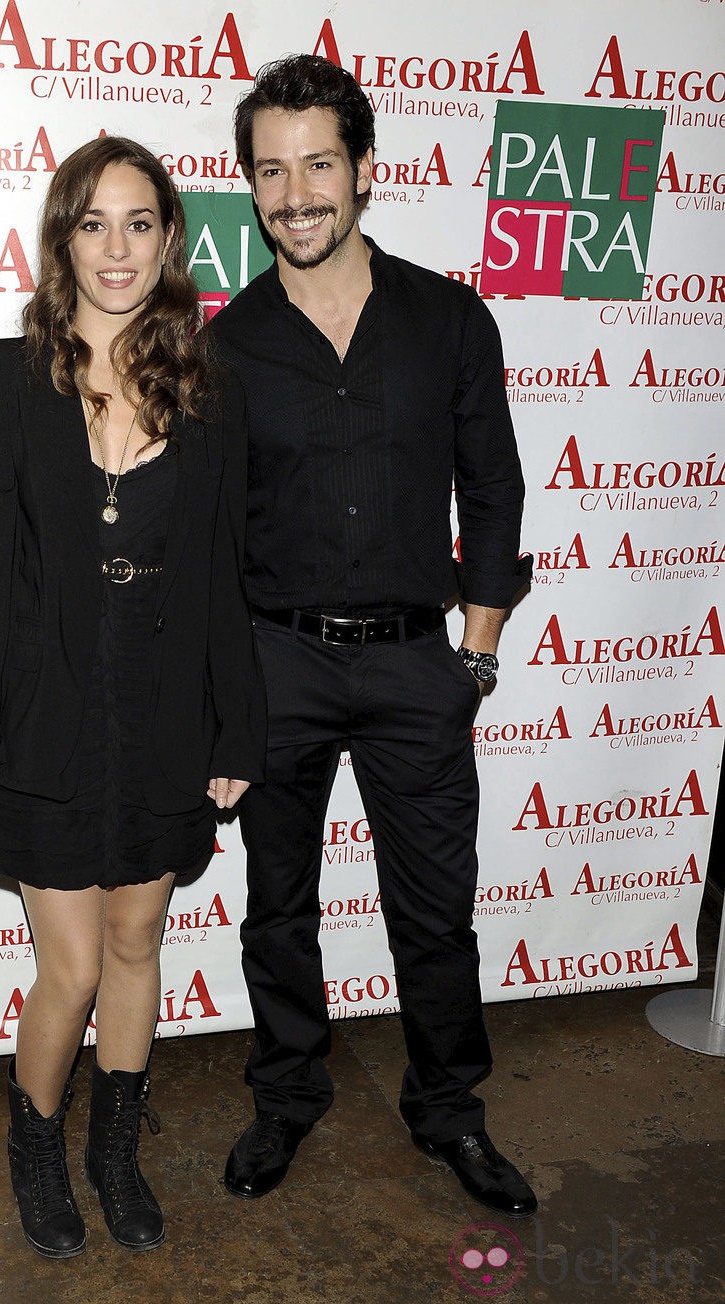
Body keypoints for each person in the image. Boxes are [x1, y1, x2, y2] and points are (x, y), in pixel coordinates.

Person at [210, 55, 536, 1218]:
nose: (294, 194)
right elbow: (206, 532)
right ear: (249, 186)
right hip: (274, 660)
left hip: (413, 662)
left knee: (434, 911)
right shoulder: (226, 344)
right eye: (269, 171)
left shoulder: (449, 317)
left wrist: (475, 654)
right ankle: (285, 1097)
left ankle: (449, 1109)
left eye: (316, 164)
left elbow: (491, 492)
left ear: (361, 170)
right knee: (276, 906)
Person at [0, 136, 265, 1259]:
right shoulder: (4, 375)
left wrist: (236, 725)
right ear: (60, 238)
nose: (115, 248)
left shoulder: (206, 386)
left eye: (138, 223)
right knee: (69, 965)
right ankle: (36, 1142)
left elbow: (223, 573)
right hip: (46, 696)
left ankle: (112, 1152)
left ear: (169, 238)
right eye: (93, 223)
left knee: (137, 939)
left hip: (165, 697)